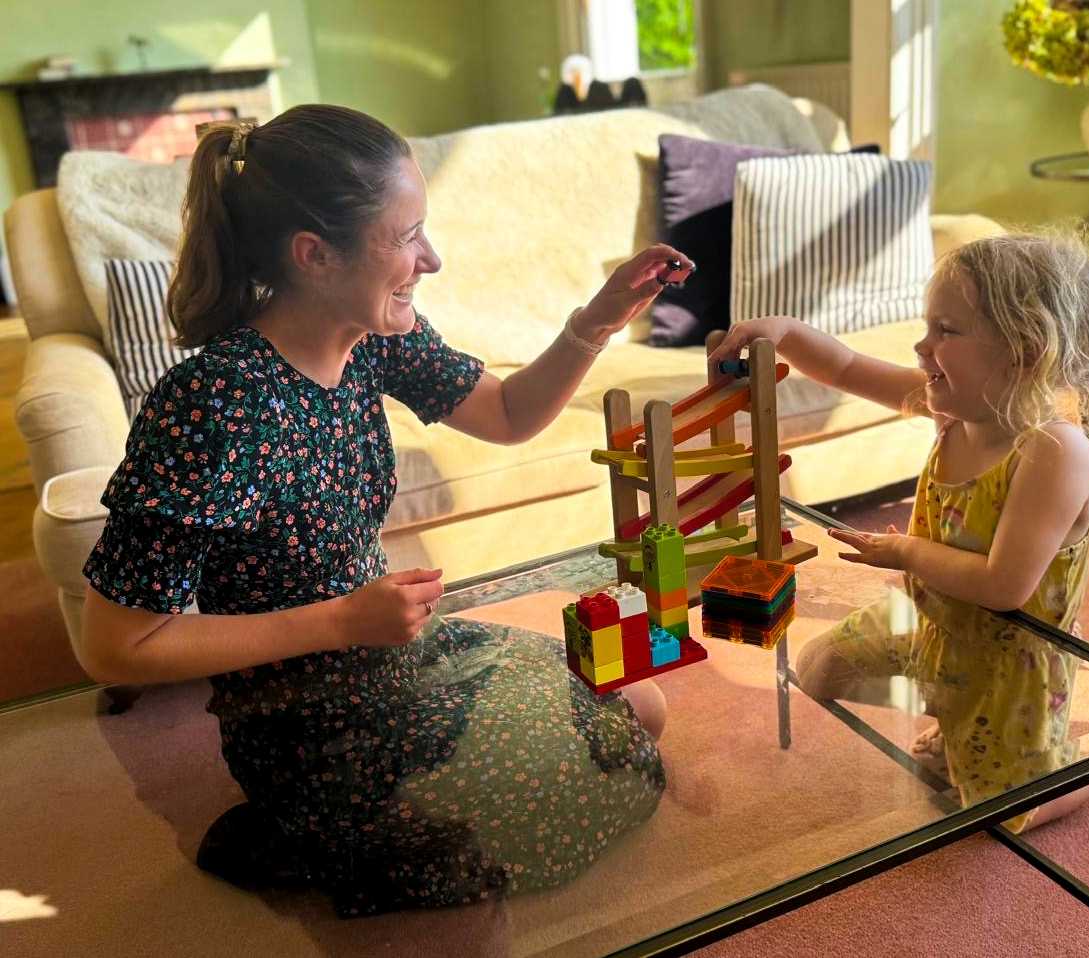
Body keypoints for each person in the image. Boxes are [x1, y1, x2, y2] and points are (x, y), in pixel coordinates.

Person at [77, 105, 693, 915]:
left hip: (396, 651)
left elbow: (506, 415)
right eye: (407, 237)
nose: (430, 259)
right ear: (314, 255)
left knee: (637, 705)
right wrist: (339, 621)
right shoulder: (212, 404)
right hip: (302, 716)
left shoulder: (374, 335)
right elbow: (115, 647)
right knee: (518, 816)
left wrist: (600, 317)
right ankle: (311, 828)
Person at [709, 229, 1089, 832]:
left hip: (1008, 666)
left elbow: (1004, 586)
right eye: (927, 326)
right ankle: (955, 712)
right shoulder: (953, 406)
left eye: (947, 331)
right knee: (817, 670)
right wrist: (781, 329)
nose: (922, 345)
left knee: (1006, 814)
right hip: (932, 626)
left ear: (1024, 348)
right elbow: (845, 366)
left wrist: (906, 551)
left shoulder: (1052, 449)